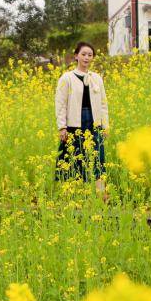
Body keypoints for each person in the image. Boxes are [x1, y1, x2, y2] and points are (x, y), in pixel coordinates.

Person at [54, 41, 109, 197]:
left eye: (90, 55)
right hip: (74, 124)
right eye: (83, 54)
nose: (86, 57)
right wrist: (62, 127)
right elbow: (60, 103)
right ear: (76, 56)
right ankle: (71, 196)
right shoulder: (67, 78)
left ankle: (101, 195)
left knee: (98, 157)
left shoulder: (97, 78)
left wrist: (105, 126)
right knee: (72, 158)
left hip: (94, 122)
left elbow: (104, 104)